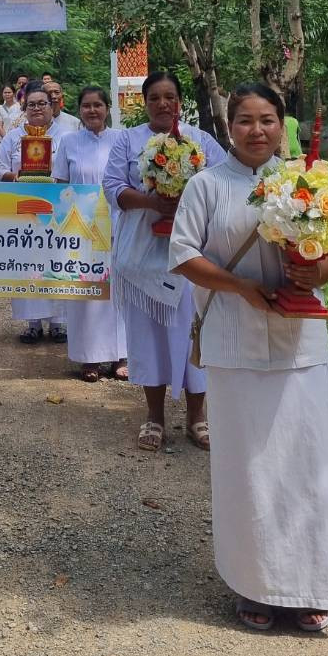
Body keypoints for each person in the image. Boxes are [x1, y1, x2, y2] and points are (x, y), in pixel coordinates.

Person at [170, 82, 328, 634]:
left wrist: (315, 270)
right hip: (235, 341)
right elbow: (184, 256)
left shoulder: (306, 183)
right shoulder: (206, 185)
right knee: (248, 469)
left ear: (281, 125)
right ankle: (256, 586)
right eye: (245, 120)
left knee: (308, 464)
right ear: (230, 127)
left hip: (301, 344)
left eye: (267, 119)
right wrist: (241, 287)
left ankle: (311, 585)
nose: (257, 130)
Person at [102, 69, 225, 451]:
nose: (162, 104)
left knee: (192, 335)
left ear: (180, 101)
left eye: (169, 96)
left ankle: (197, 418)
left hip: (190, 254)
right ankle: (154, 418)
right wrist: (151, 201)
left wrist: (189, 199)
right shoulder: (128, 140)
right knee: (148, 337)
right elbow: (112, 186)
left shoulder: (200, 140)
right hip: (142, 255)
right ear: (145, 102)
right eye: (154, 97)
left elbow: (223, 179)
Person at [53, 86, 127, 382]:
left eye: (98, 105)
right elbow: (59, 184)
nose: (92, 110)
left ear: (107, 108)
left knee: (119, 291)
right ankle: (90, 359)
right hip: (81, 229)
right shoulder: (68, 142)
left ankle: (121, 355)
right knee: (86, 292)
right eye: (86, 106)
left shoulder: (122, 140)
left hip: (118, 224)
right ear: (79, 110)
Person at [0, 86, 68, 343]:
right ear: (24, 110)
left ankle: (59, 323)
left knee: (56, 263)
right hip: (23, 210)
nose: (37, 108)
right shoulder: (13, 137)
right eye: (31, 104)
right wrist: (14, 176)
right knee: (27, 265)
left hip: (56, 212)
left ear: (53, 106)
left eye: (42, 103)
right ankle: (33, 323)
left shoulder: (66, 136)